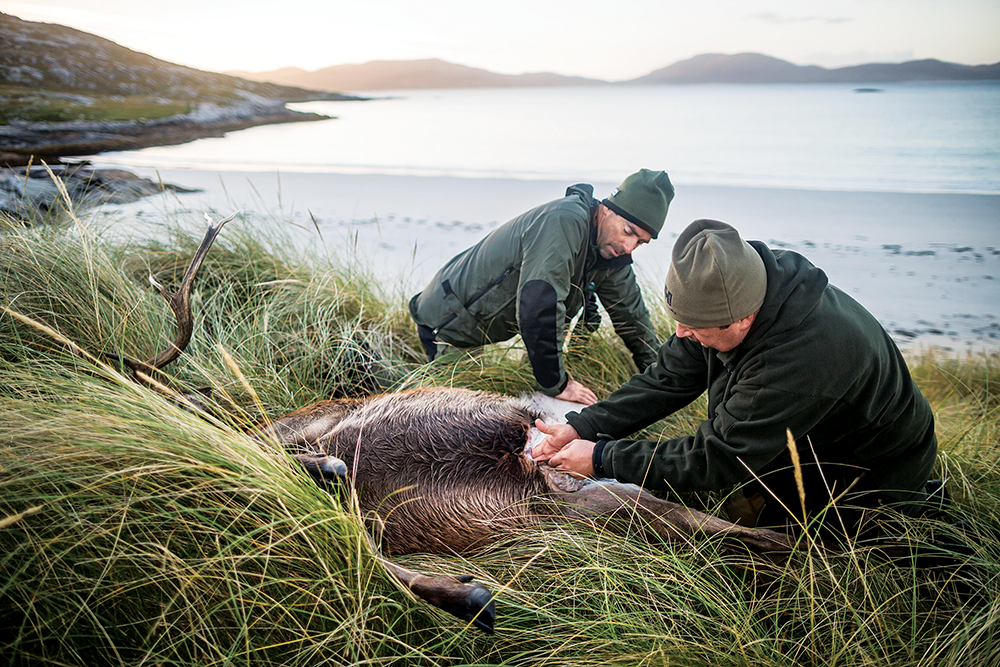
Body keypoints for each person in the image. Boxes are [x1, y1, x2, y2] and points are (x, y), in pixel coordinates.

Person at [532, 219, 938, 529]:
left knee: (788, 562)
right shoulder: (728, 286)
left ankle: (925, 526)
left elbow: (719, 457)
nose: (680, 334)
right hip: (792, 443)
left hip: (865, 475)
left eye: (693, 327)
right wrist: (584, 426)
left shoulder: (801, 357)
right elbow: (667, 377)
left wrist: (602, 458)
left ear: (742, 320)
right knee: (739, 512)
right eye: (679, 319)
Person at [409, 169, 675, 405]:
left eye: (641, 242)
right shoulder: (564, 221)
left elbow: (634, 321)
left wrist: (666, 383)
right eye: (628, 231)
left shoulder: (611, 254)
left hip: (484, 328)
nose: (629, 248)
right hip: (447, 321)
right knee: (452, 423)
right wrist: (556, 385)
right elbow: (539, 304)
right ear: (607, 209)